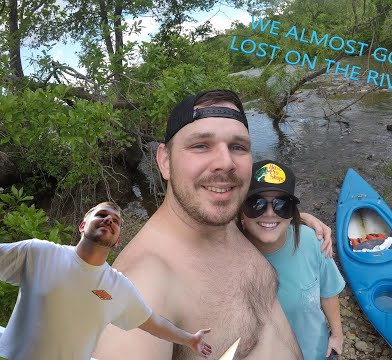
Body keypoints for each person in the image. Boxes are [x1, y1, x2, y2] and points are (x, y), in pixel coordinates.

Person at [94, 90, 333, 359]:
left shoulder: (224, 221)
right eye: (200, 145)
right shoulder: (142, 285)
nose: (226, 163)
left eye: (238, 147)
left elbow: (259, 210)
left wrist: (299, 219)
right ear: (164, 161)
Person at [0, 202, 212, 360]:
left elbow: (151, 322)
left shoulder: (118, 287)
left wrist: (189, 339)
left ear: (118, 240)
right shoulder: (39, 253)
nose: (109, 220)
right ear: (83, 225)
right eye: (101, 214)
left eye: (116, 221)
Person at [240, 160, 345, 359]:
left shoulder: (313, 241)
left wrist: (337, 335)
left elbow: (329, 292)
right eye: (256, 204)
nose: (270, 213)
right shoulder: (227, 253)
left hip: (316, 351)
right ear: (241, 209)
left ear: (292, 213)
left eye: (282, 205)